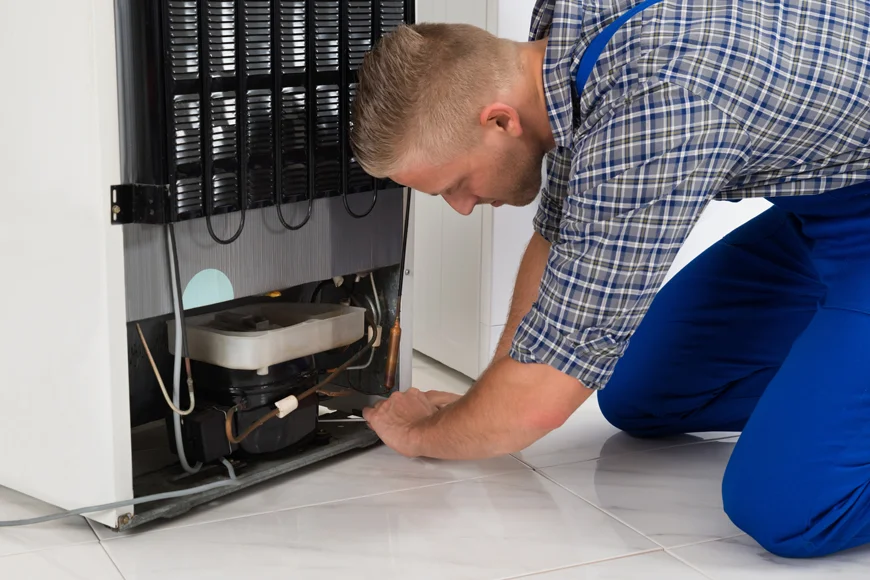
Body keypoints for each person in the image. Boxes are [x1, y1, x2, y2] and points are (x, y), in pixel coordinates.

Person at [353, 0, 870, 559]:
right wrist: (486, 397)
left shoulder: (655, 104)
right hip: (829, 205)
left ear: (500, 121)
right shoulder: (560, 50)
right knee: (640, 394)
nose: (460, 206)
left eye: (453, 184)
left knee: (788, 508)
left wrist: (422, 435)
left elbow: (540, 402)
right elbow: (556, 237)